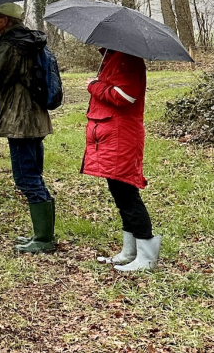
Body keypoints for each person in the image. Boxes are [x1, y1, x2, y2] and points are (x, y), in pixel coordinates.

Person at [0, 2, 54, 253]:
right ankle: (41, 234)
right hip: (33, 118)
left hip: (20, 122)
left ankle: (44, 239)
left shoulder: (12, 46)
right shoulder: (26, 41)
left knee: (27, 178)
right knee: (33, 175)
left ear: (5, 20)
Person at [83, 49, 160, 271]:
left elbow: (126, 96)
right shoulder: (114, 57)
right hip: (113, 137)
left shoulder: (127, 58)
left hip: (121, 137)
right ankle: (130, 252)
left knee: (127, 195)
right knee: (120, 194)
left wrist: (93, 85)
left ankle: (146, 258)